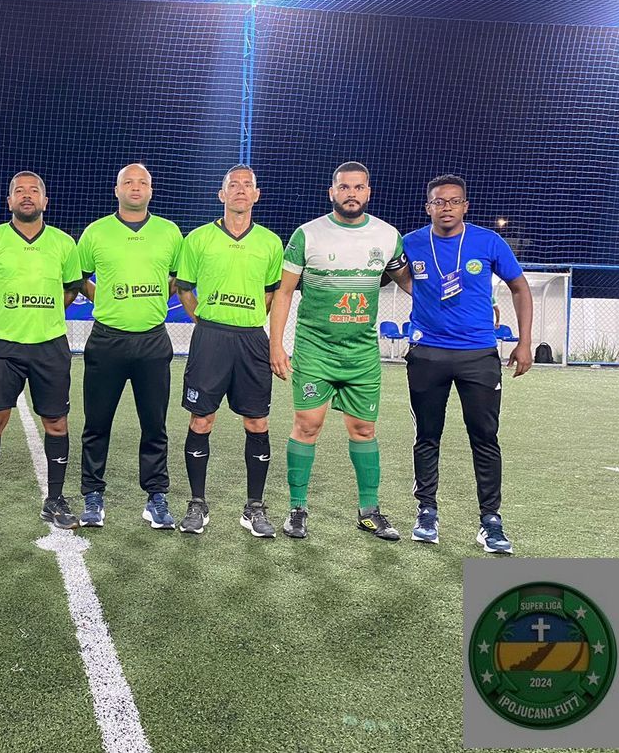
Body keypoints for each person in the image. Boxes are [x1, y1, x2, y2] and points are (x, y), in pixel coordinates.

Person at [269, 161, 412, 541]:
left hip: (362, 353)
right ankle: (297, 509)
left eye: (359, 187)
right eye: (344, 187)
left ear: (369, 192)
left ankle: (369, 511)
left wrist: (464, 306)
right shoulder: (307, 235)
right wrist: (276, 345)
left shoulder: (387, 236)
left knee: (364, 429)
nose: (351, 193)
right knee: (307, 425)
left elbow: (410, 283)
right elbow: (284, 293)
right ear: (332, 192)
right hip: (315, 349)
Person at [401, 174, 533, 554]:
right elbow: (394, 277)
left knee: (485, 438)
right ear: (428, 207)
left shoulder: (488, 241)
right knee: (427, 436)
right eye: (439, 202)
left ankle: (490, 520)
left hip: (478, 355)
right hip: (427, 354)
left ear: (465, 206)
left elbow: (520, 287)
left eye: (453, 201)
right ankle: (427, 511)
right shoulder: (410, 243)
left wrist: (524, 343)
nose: (446, 208)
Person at [0, 171, 84, 533]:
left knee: (56, 422)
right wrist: (0, 314)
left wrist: (44, 315)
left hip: (50, 347)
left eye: (34, 191)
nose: (27, 196)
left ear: (45, 201)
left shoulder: (63, 243)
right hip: (4, 348)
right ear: (9, 201)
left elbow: (71, 290)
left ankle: (55, 501)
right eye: (19, 191)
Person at [174, 165, 284, 535]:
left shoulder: (270, 242)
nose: (240, 191)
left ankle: (254, 507)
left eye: (247, 186)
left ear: (257, 194)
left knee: (257, 421)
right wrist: (204, 322)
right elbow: (185, 288)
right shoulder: (198, 238)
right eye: (232, 186)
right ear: (221, 195)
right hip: (210, 338)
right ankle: (197, 504)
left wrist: (246, 319)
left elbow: (270, 294)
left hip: (252, 339)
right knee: (201, 419)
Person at [75, 163, 182, 530]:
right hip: (107, 340)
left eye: (143, 183)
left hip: (153, 340)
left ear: (151, 190)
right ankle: (93, 495)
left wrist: (151, 301)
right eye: (128, 182)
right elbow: (78, 279)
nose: (136, 188)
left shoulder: (169, 233)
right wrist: (103, 297)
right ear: (116, 189)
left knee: (155, 425)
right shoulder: (96, 232)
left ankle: (156, 497)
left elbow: (177, 280)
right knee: (96, 423)